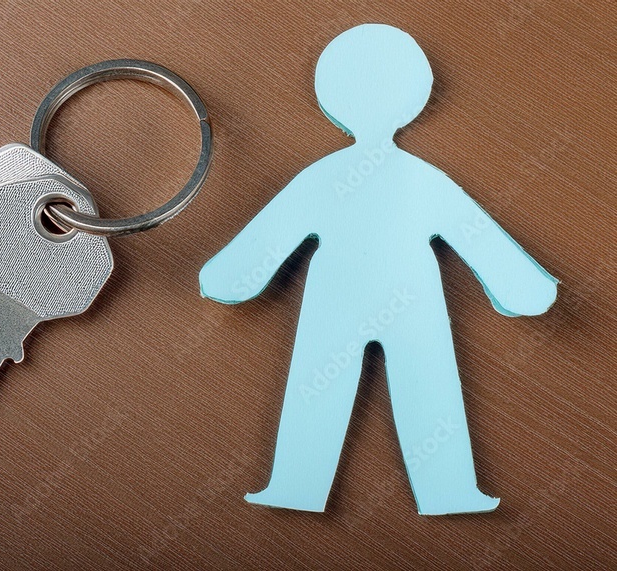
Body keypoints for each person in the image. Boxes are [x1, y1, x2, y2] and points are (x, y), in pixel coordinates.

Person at [199, 24, 557, 515]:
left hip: (341, 298)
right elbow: (478, 237)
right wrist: (522, 286)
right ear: (415, 99)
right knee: (427, 383)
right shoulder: (422, 179)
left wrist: (228, 275)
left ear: (331, 97)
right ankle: (446, 490)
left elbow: (266, 240)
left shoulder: (326, 176)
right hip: (409, 297)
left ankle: (300, 486)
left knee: (320, 384)